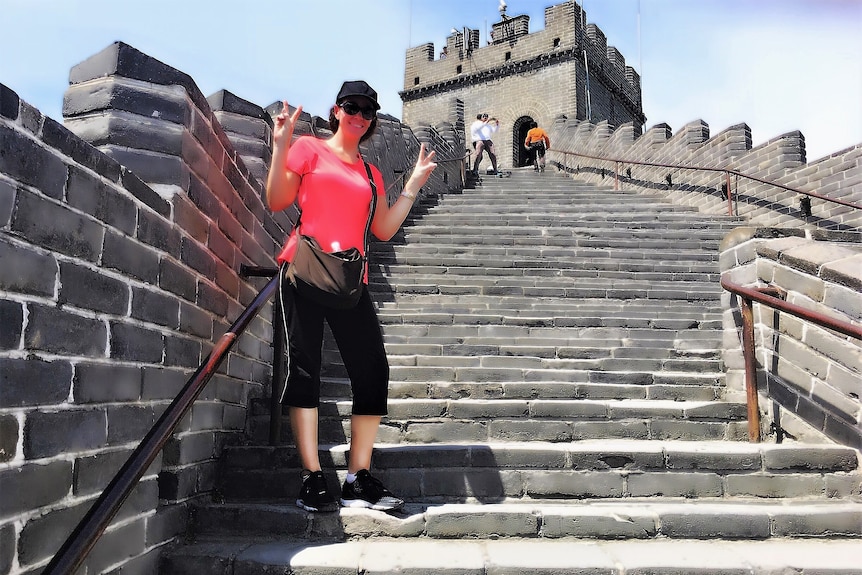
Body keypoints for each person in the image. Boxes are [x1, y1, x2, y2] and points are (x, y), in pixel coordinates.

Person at [265, 80, 437, 513]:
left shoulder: (371, 172)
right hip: (302, 274)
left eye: (367, 110)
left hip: (350, 282)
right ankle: (311, 477)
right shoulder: (309, 148)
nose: (359, 115)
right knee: (304, 371)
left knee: (373, 371)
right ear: (336, 110)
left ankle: (357, 477)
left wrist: (412, 186)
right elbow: (276, 199)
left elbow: (382, 230)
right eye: (351, 107)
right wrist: (281, 146)